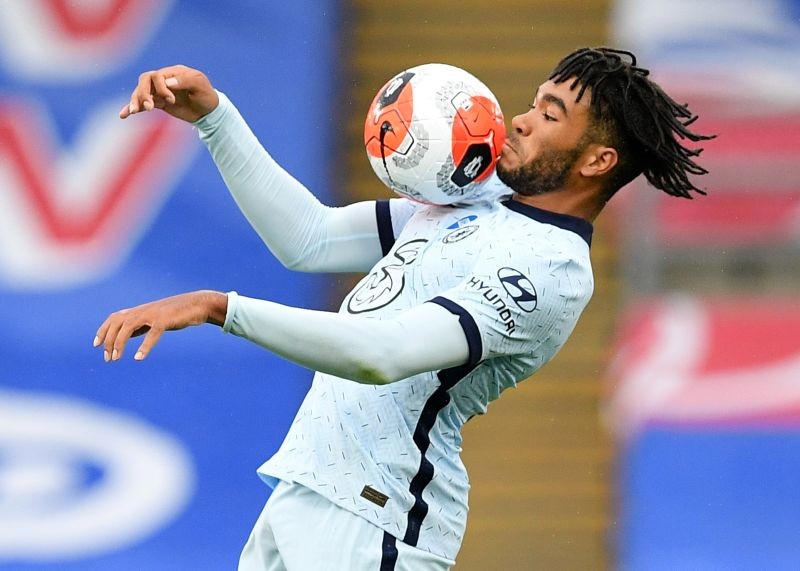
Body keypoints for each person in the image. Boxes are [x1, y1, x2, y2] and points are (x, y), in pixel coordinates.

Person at [94, 47, 712, 570]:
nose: (520, 120)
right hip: (307, 490)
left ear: (598, 161)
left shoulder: (549, 269)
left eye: (551, 115)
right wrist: (214, 118)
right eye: (535, 101)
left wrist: (218, 308)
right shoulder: (477, 196)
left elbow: (381, 354)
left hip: (380, 520)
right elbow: (310, 239)